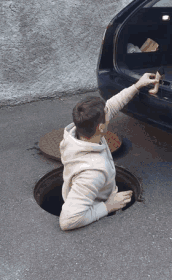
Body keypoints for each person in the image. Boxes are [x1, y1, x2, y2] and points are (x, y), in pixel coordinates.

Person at [59, 72, 159, 231]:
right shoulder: (93, 173)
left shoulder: (77, 133)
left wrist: (137, 85)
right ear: (100, 127)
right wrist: (107, 207)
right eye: (106, 117)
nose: (109, 113)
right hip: (91, 207)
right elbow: (67, 221)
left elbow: (111, 106)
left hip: (84, 191)